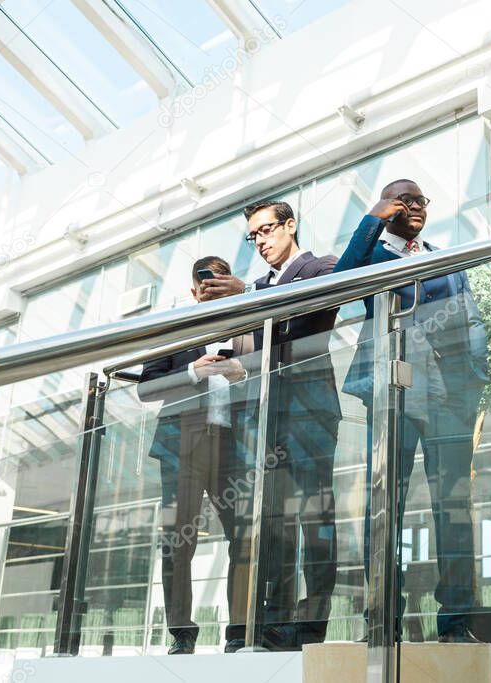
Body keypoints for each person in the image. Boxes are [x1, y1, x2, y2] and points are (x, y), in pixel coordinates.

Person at [334, 179, 488, 643]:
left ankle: (458, 621)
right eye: (405, 200)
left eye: (421, 199)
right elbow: (339, 284)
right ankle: (382, 620)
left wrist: (473, 384)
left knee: (453, 506)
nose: (416, 206)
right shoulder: (371, 253)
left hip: (447, 399)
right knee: (384, 508)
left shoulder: (445, 257)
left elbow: (472, 320)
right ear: (388, 206)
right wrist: (373, 217)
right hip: (390, 396)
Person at [198, 200, 342, 650]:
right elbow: (264, 354)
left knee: (315, 518)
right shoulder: (256, 285)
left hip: (310, 413)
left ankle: (311, 624)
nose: (260, 241)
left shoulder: (321, 266)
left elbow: (303, 320)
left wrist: (247, 295)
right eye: (253, 236)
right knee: (273, 522)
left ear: (291, 225)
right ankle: (275, 622)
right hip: (264, 418)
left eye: (267, 230)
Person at [137, 256, 252, 655]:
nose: (211, 287)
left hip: (232, 445)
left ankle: (238, 630)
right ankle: (182, 633)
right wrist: (193, 374)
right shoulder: (174, 330)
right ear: (193, 290)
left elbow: (267, 371)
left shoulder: (244, 328)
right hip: (180, 445)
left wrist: (241, 373)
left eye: (219, 280)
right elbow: (146, 389)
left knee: (244, 537)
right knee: (178, 541)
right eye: (204, 282)